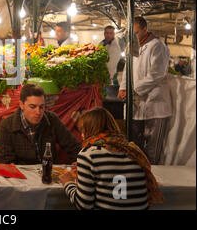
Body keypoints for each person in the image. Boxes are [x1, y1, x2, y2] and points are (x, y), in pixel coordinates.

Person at [59, 107, 164, 210]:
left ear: (89, 131)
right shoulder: (133, 150)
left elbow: (84, 205)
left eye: (82, 130)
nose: (81, 135)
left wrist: (68, 182)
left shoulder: (88, 155)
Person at [117, 17, 171, 165]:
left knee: (153, 152)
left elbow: (156, 75)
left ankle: (153, 183)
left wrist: (131, 89)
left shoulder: (157, 46)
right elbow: (127, 69)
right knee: (134, 148)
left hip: (155, 105)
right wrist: (123, 87)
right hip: (136, 105)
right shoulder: (132, 46)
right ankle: (136, 178)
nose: (133, 36)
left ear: (145, 29)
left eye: (136, 32)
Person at [0, 83, 81, 165]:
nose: (38, 112)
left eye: (41, 107)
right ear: (21, 105)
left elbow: (74, 147)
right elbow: (6, 161)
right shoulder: (7, 125)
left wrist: (79, 163)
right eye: (32, 107)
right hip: (21, 176)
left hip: (48, 174)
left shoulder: (52, 119)